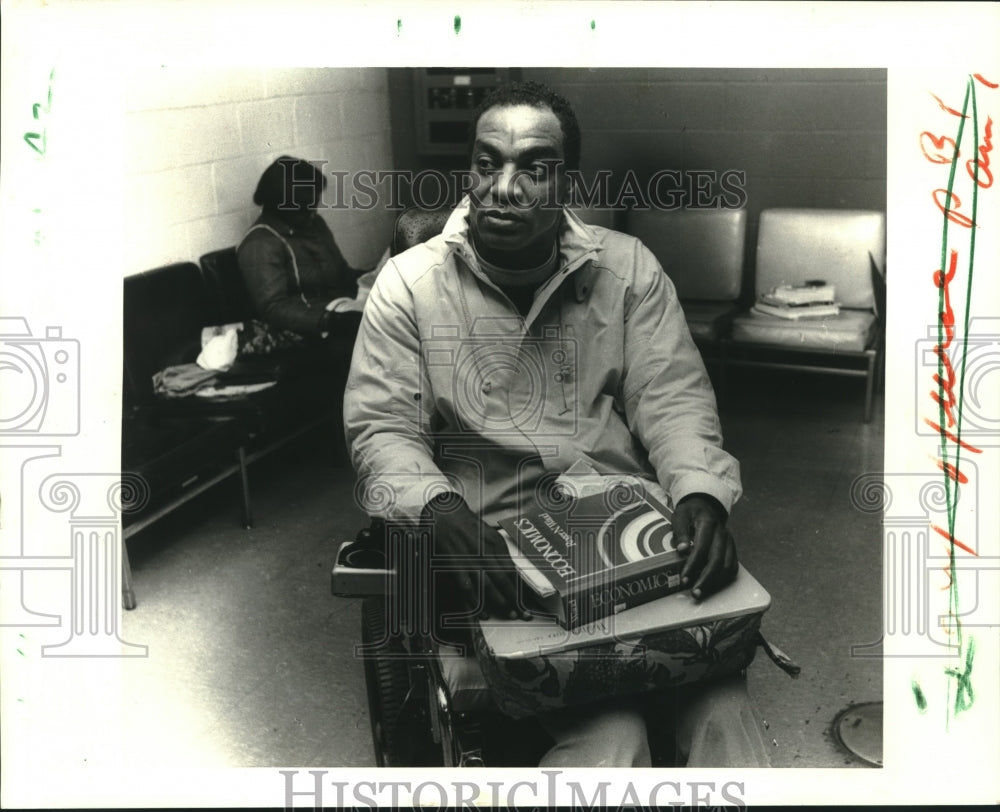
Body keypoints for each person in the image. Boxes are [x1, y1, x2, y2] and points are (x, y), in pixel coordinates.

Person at [343, 80, 769, 767]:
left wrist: (698, 492)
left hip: (624, 549)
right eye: (487, 164)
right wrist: (438, 506)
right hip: (499, 563)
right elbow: (381, 430)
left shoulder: (626, 269)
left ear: (565, 180)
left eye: (533, 168)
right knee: (613, 734)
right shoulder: (408, 285)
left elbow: (674, 398)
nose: (504, 187)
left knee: (724, 713)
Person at [237, 156, 365, 350]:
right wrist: (330, 320)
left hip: (341, 313)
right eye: (304, 209)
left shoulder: (314, 224)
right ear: (279, 205)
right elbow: (274, 309)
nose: (312, 213)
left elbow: (342, 274)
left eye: (313, 205)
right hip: (308, 333)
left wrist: (377, 277)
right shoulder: (260, 243)